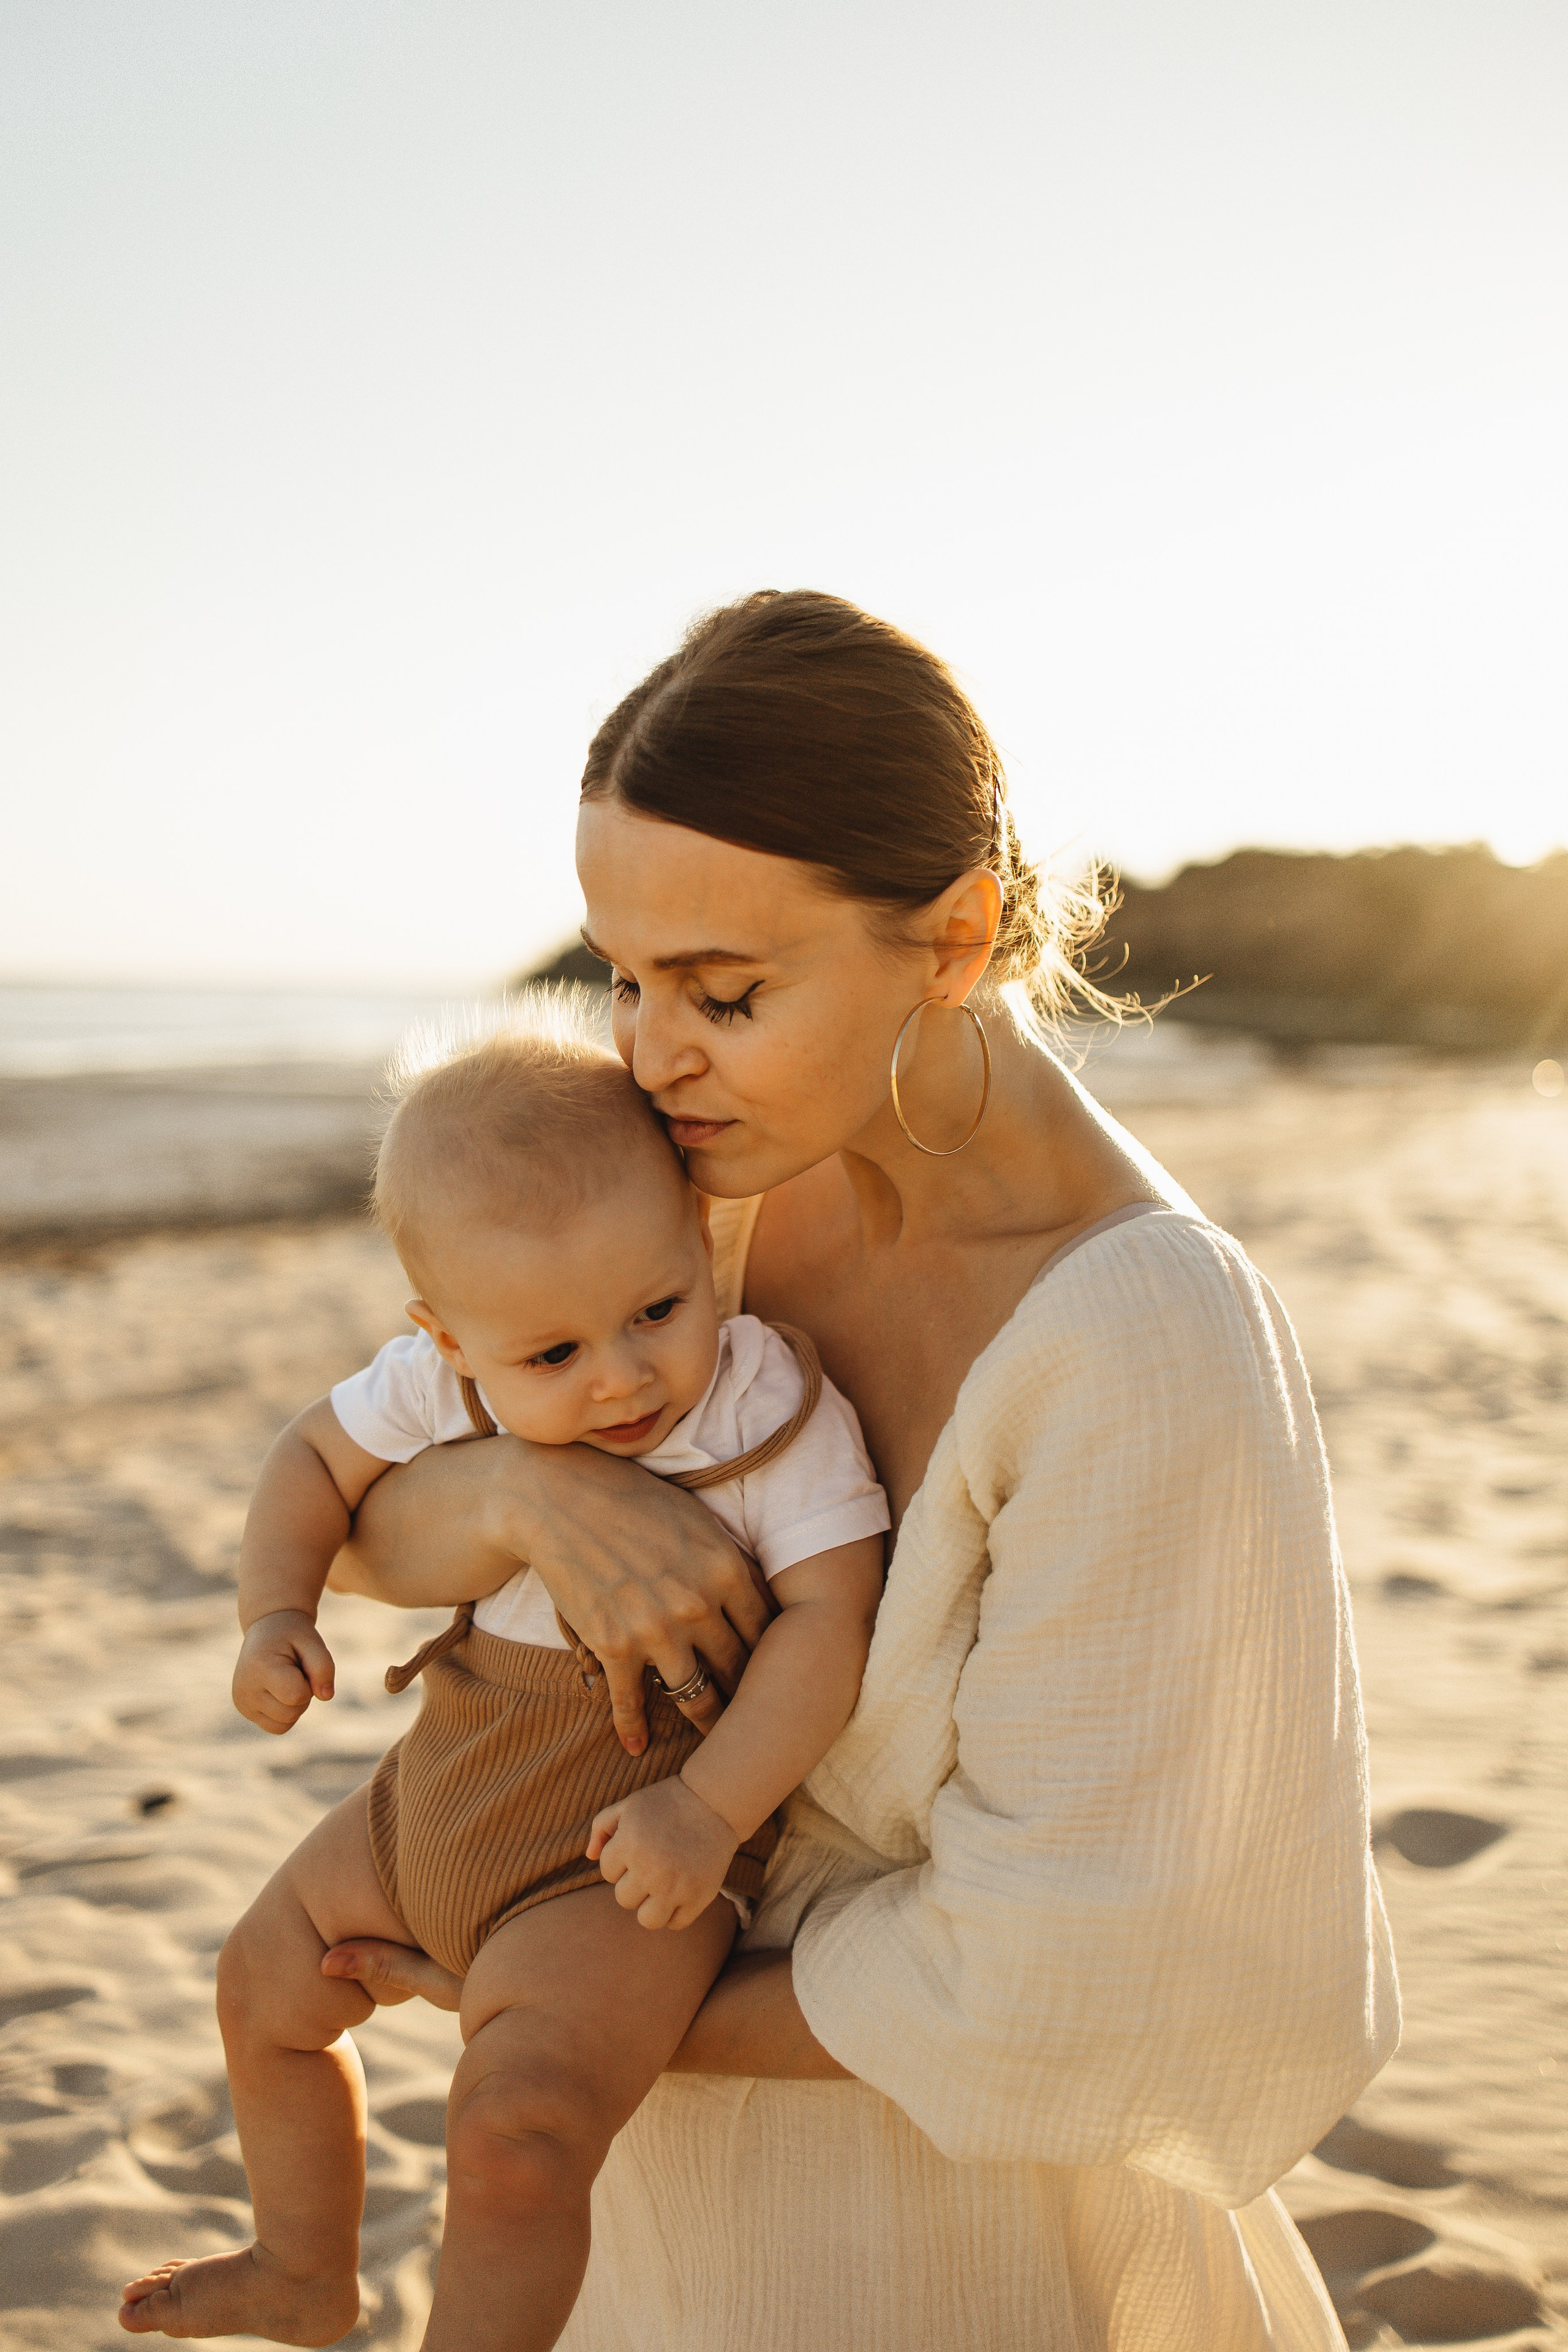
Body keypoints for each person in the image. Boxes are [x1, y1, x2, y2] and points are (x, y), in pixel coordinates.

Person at [332, 590, 1398, 2351]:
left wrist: (560, 2004)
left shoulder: (1143, 1338)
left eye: (726, 992)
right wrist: (538, 1500)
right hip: (634, 2224)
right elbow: (369, 1515)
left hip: (936, 2251)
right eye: (622, 976)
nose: (646, 1052)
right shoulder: (711, 1186)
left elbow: (1076, 1974)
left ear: (958, 938)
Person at [117, 1013, 888, 2348]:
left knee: (518, 2136)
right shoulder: (438, 1385)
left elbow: (832, 1621)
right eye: (552, 1356)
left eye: (656, 1308)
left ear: (701, 1242)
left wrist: (707, 1813)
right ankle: (304, 2268)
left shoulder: (765, 1406)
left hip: (620, 1847)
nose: (622, 1377)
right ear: (449, 1338)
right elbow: (310, 1461)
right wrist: (272, 1614)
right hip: (429, 1794)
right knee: (259, 1989)